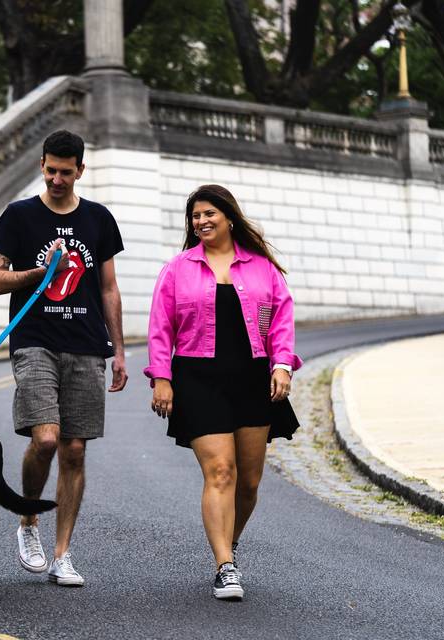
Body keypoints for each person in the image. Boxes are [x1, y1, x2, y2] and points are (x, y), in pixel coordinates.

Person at [143, 184, 302, 601]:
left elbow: (281, 320)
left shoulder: (262, 268)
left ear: (229, 217)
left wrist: (281, 364)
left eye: (209, 213)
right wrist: (161, 376)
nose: (202, 221)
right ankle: (225, 566)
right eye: (195, 216)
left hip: (252, 380)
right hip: (197, 379)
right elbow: (160, 327)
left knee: (248, 482)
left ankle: (228, 543)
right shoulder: (177, 269)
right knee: (221, 472)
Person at [0, 129, 127, 587]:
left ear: (80, 170)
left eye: (66, 172)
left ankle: (62, 554)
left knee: (75, 448)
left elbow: (108, 288)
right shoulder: (19, 216)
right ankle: (29, 522)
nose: (57, 179)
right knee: (45, 439)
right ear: (41, 166)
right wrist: (38, 272)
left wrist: (119, 350)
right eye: (50, 170)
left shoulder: (99, 220)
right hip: (34, 340)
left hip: (86, 343)